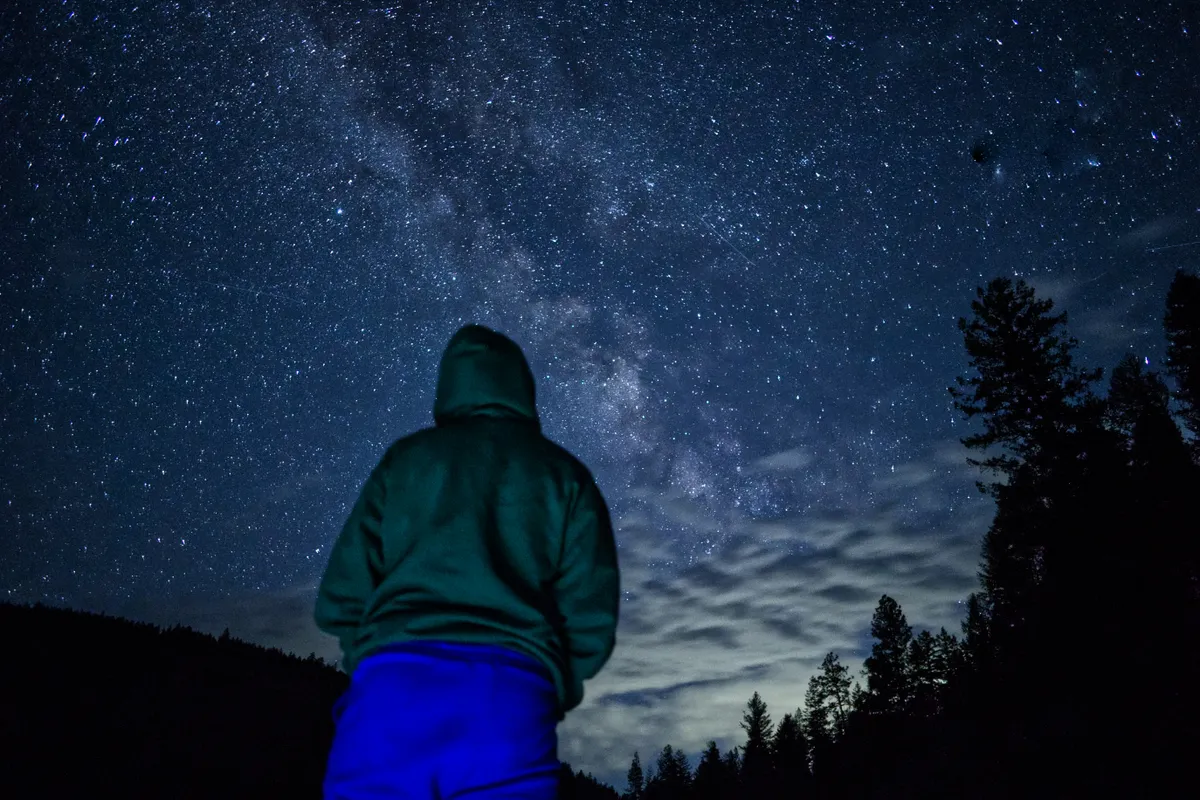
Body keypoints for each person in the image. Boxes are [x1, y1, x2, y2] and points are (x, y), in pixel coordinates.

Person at [315, 323, 620, 799]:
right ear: (522, 387)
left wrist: (373, 658)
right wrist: (550, 685)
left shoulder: (406, 460)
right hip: (509, 697)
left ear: (448, 386)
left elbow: (342, 593)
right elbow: (590, 614)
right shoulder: (565, 475)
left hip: (391, 690)